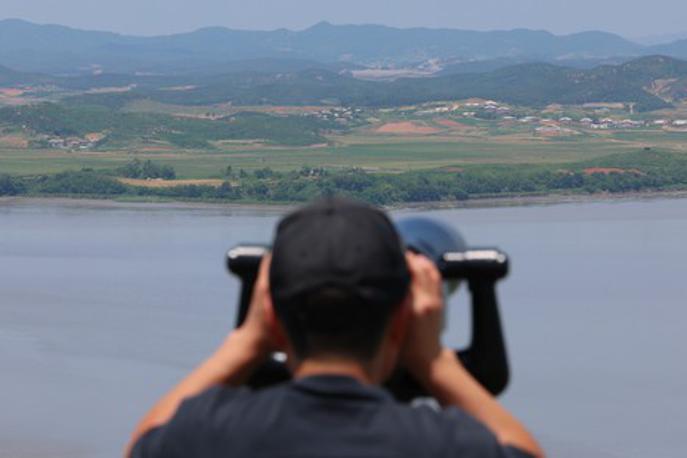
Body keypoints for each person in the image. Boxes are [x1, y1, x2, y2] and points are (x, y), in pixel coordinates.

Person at [127, 198, 544, 458]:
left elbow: (145, 441)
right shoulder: (447, 445)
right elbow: (524, 450)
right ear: (406, 315)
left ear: (271, 314)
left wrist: (246, 343)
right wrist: (434, 363)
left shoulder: (210, 437)